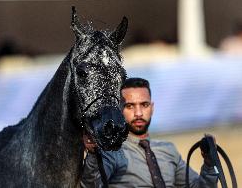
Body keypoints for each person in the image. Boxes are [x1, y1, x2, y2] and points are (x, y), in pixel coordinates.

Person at [81, 77, 218, 188]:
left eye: (144, 105)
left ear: (151, 108)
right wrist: (93, 154)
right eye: (130, 106)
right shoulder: (112, 152)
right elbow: (91, 185)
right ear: (119, 110)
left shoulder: (168, 150)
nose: (139, 113)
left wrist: (209, 164)